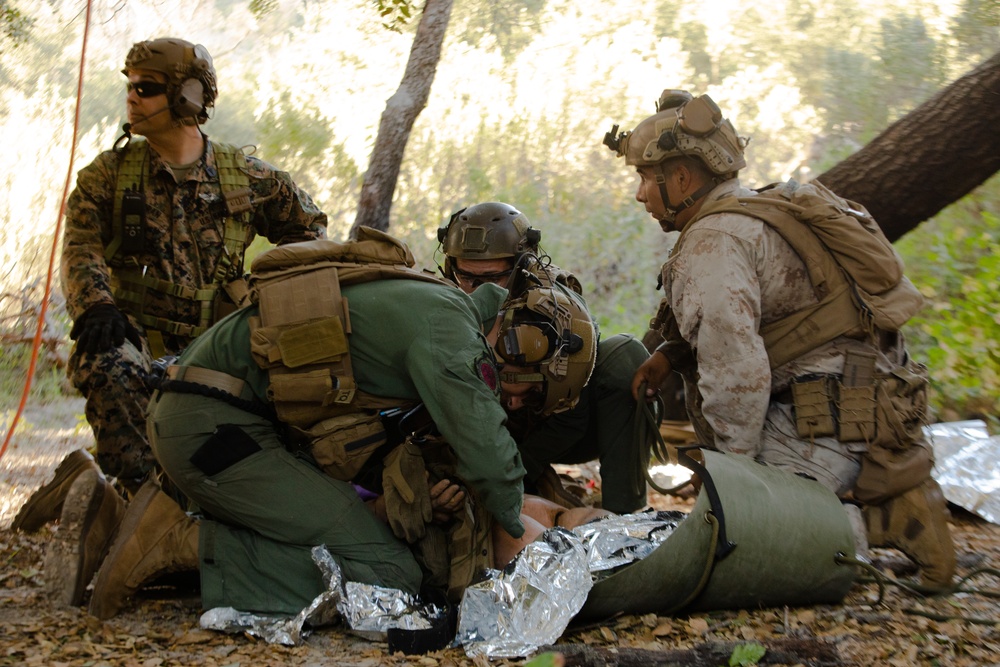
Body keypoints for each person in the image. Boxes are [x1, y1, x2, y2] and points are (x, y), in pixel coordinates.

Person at [50, 230, 600, 620]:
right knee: (386, 571)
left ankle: (124, 518)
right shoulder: (451, 334)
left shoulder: (435, 303)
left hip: (218, 422)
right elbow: (490, 455)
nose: (512, 399)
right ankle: (176, 539)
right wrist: (514, 523)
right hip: (213, 429)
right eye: (525, 390)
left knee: (353, 533)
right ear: (526, 345)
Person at [605, 89, 955, 588]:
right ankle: (880, 503)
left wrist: (738, 486)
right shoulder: (762, 207)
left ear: (681, 177)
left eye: (644, 177)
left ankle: (888, 520)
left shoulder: (711, 242)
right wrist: (669, 353)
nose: (640, 193)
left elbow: (735, 373)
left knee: (747, 537)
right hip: (871, 408)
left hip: (827, 423)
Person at [13, 38, 327, 542]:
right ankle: (144, 515)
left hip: (222, 349)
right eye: (129, 86)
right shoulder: (108, 176)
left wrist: (271, 294)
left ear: (186, 98)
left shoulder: (245, 176)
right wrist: (96, 305)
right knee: (106, 360)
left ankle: (119, 496)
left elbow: (310, 233)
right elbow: (81, 247)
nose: (131, 97)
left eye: (146, 88)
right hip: (140, 343)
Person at [438, 202, 653, 513]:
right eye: (465, 276)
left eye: (490, 279)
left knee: (624, 355)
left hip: (555, 428)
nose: (476, 290)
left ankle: (624, 516)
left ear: (521, 267)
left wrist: (521, 470)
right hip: (480, 430)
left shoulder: (556, 308)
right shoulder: (442, 297)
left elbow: (571, 417)